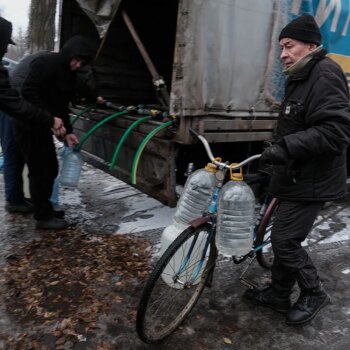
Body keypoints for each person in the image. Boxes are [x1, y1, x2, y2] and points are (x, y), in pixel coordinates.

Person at [244, 14, 350, 325]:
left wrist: (286, 148)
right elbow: (298, 123)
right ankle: (278, 295)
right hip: (295, 174)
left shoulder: (324, 74)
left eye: (289, 46)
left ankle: (314, 291)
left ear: (311, 45)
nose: (282, 54)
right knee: (282, 237)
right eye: (281, 47)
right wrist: (274, 153)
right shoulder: (303, 74)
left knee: (285, 241)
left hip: (313, 179)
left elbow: (336, 132)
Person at [10, 35, 93, 230]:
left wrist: (69, 132)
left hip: (42, 125)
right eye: (76, 59)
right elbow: (28, 92)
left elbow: (61, 106)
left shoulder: (69, 75)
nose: (78, 65)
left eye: (82, 62)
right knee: (39, 170)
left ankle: (45, 208)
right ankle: (42, 216)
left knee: (50, 168)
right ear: (68, 53)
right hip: (27, 124)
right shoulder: (46, 63)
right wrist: (50, 119)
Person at [0, 16, 65, 212]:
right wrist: (49, 119)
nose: (5, 50)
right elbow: (16, 102)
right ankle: (14, 200)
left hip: (10, 105)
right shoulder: (47, 64)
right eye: (4, 43)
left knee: (16, 152)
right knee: (12, 151)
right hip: (8, 108)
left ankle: (17, 197)